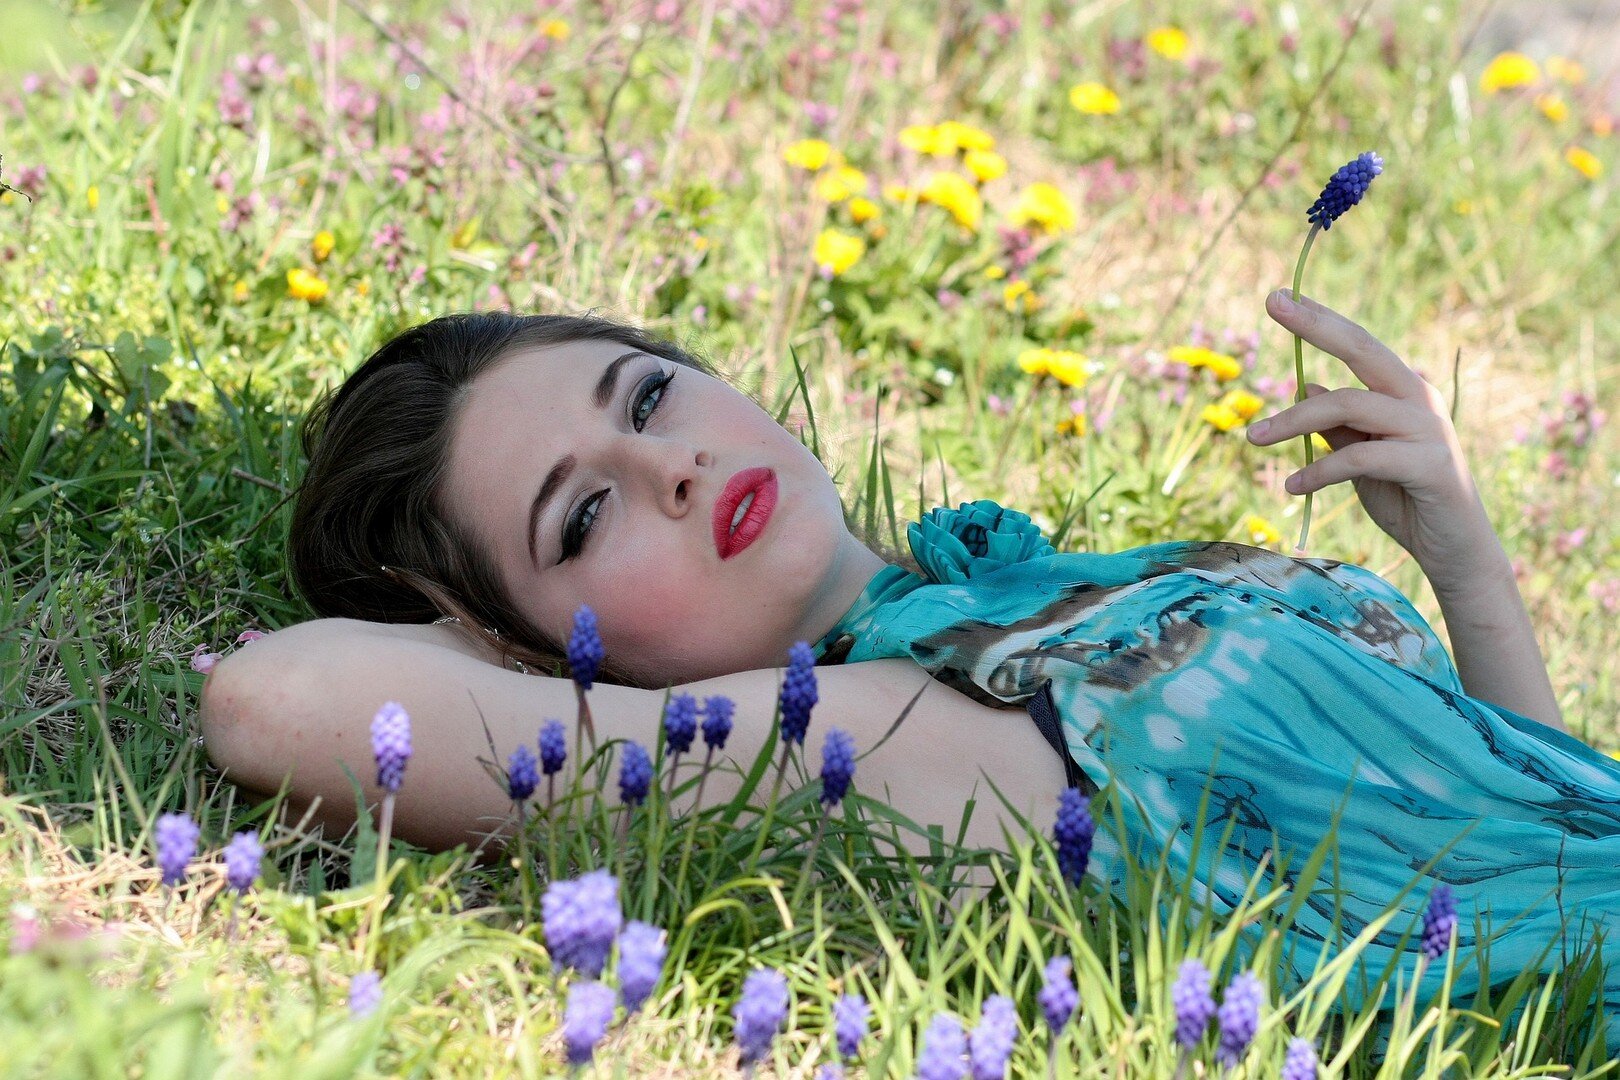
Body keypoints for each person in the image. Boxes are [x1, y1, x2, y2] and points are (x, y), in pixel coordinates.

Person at [199, 291, 1618, 1053]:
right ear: (525, 644)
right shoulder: (872, 738)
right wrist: (492, 660)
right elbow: (272, 702)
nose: (671, 463)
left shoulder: (1047, 596)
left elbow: (1527, 848)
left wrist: (1464, 565)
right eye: (584, 518)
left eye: (649, 394)